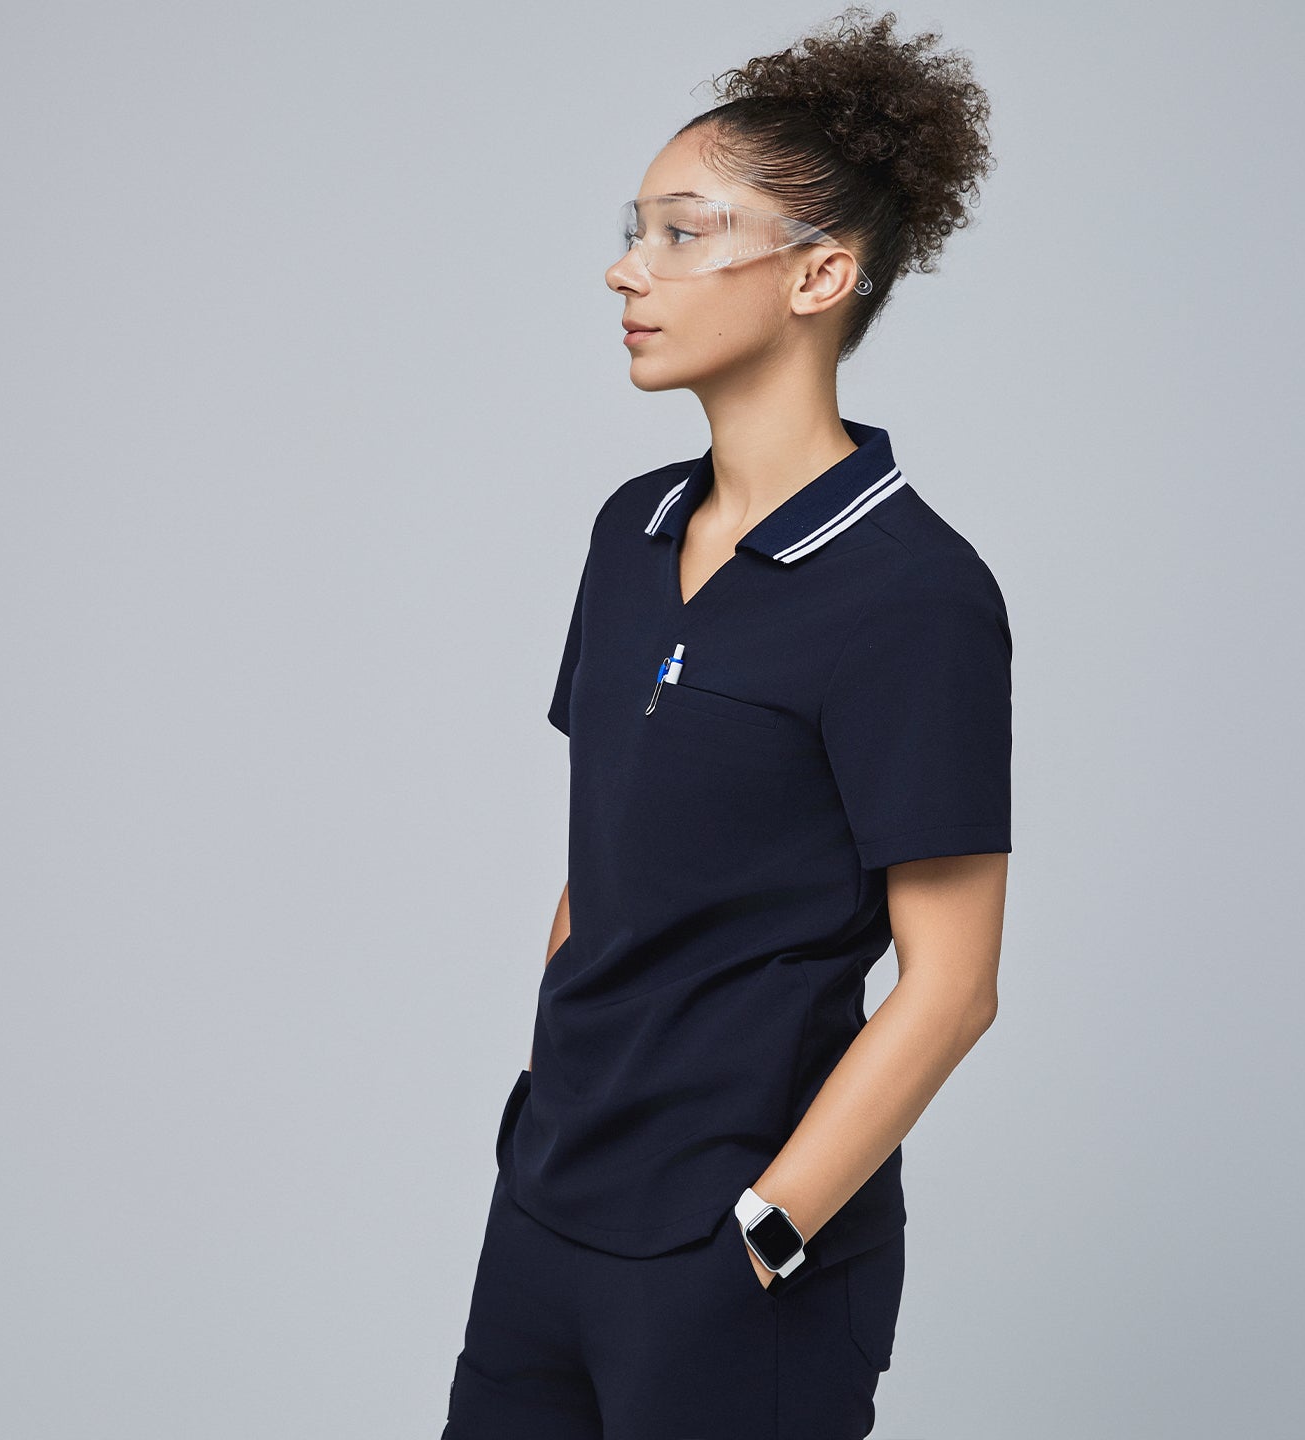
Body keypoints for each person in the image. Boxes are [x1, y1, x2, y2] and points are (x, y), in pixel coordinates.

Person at [441, 8, 1008, 1438]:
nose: (629, 269)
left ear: (821, 272)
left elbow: (950, 984)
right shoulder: (628, 530)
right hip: (548, 1210)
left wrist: (768, 1230)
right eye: (637, 229)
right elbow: (609, 862)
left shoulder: (914, 594)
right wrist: (550, 1124)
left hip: (728, 1253)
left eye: (684, 234)